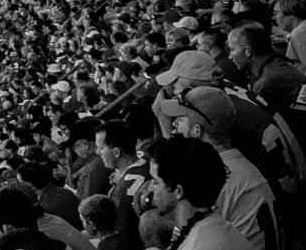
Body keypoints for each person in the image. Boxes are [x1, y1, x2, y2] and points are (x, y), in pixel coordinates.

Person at [160, 86, 279, 250]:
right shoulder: (238, 164)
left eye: (181, 119)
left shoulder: (207, 176)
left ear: (196, 131)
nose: (174, 123)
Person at [147, 137, 250, 250]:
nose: (150, 188)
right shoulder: (210, 229)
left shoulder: (202, 245)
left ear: (178, 191)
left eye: (155, 182)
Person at [96, 120, 148, 250]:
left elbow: (117, 238)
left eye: (101, 148)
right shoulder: (146, 157)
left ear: (116, 152)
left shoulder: (121, 193)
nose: (97, 152)